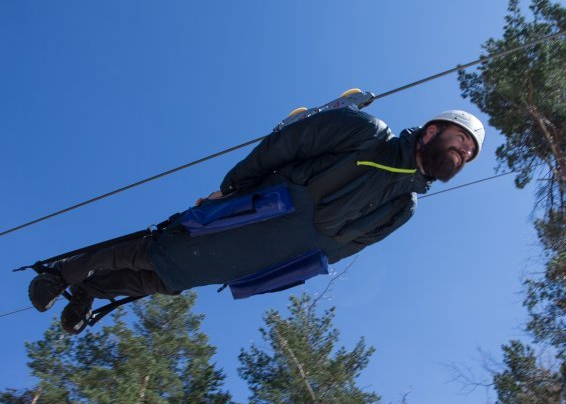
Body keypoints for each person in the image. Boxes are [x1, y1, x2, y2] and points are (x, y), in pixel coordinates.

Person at [28, 107, 485, 334]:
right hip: (257, 211)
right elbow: (284, 146)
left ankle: (89, 291)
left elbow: (345, 249)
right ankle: (62, 273)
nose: (463, 152)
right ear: (431, 130)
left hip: (274, 253)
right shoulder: (366, 133)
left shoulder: (405, 209)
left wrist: (279, 276)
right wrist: (231, 188)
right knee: (159, 248)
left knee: (166, 279)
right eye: (461, 139)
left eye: (469, 153)